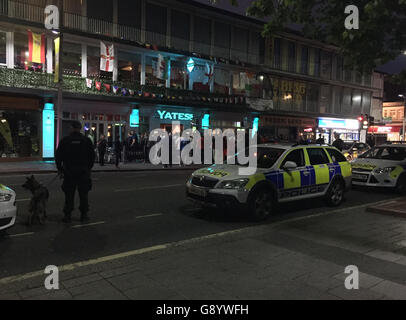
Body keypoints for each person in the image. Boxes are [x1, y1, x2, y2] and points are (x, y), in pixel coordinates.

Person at [55, 121, 95, 223]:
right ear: (80, 128)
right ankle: (84, 215)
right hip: (83, 172)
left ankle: (67, 215)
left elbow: (58, 156)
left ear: (72, 128)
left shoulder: (65, 140)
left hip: (69, 172)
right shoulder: (86, 141)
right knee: (83, 195)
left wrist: (60, 169)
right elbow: (92, 157)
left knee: (69, 195)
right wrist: (88, 168)